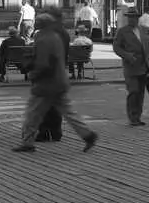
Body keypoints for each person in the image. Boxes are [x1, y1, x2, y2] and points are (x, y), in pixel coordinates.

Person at [12, 12, 98, 153]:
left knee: (32, 114)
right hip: (59, 81)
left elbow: (43, 63)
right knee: (69, 113)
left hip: (45, 84)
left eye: (38, 21)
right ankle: (88, 134)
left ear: (42, 24)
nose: (35, 23)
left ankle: (27, 142)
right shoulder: (55, 37)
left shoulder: (43, 38)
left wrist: (34, 74)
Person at [112, 7, 149, 126]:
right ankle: (132, 117)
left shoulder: (144, 30)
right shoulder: (122, 31)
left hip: (144, 67)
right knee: (133, 91)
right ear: (127, 18)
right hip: (131, 67)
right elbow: (116, 47)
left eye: (134, 17)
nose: (132, 20)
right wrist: (127, 55)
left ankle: (137, 117)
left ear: (138, 18)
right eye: (130, 17)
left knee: (141, 93)